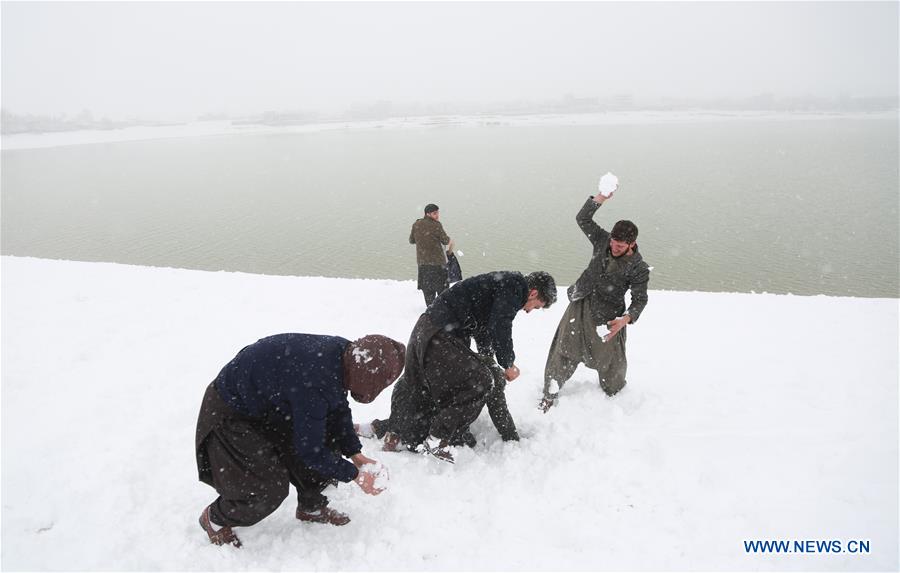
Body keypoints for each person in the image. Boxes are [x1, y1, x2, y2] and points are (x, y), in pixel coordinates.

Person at [195, 333, 405, 547]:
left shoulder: (346, 355)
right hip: (231, 412)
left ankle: (311, 506)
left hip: (273, 404)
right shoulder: (315, 381)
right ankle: (216, 519)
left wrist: (355, 453)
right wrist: (355, 475)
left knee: (326, 437)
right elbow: (311, 452)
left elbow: (338, 408)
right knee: (267, 490)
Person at [371, 270, 557, 462]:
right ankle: (438, 438)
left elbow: (484, 328)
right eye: (536, 306)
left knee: (420, 385)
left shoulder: (499, 286)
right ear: (533, 293)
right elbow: (500, 324)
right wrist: (507, 363)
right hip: (439, 337)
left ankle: (396, 434)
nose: (529, 311)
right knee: (481, 382)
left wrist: (488, 358)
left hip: (424, 331)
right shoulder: (515, 287)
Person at [539, 189, 650, 412]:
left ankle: (615, 395)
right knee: (564, 349)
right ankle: (550, 393)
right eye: (614, 243)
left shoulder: (639, 267)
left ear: (632, 244)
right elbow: (582, 219)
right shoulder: (603, 240)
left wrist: (625, 319)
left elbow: (640, 299)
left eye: (620, 245)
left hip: (609, 316)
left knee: (612, 363)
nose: (614, 247)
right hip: (581, 302)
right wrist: (599, 199)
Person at [410, 203, 453, 306]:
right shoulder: (436, 225)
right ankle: (443, 311)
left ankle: (430, 311)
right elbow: (446, 241)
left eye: (437, 213)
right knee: (443, 290)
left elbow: (411, 240)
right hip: (438, 264)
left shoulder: (416, 224)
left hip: (423, 264)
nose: (437, 215)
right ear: (428, 214)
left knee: (428, 290)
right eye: (435, 213)